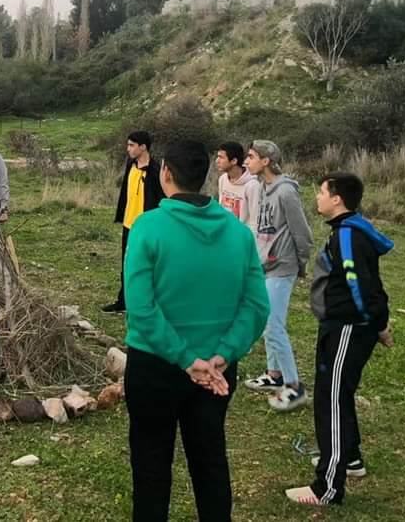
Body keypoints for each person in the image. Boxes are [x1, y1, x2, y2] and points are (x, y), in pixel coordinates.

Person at [123, 139, 269, 522]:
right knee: (210, 461)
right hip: (216, 370)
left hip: (154, 365)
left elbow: (141, 308)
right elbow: (256, 306)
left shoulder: (147, 227)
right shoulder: (238, 234)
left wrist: (186, 359)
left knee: (151, 466)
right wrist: (223, 354)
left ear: (166, 173)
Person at [286, 172, 394, 507]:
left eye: (321, 192)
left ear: (337, 199)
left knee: (330, 400)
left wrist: (378, 324)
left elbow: (361, 286)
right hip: (341, 325)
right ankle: (351, 459)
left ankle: (327, 488)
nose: (317, 197)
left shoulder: (348, 235)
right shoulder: (347, 230)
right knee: (338, 394)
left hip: (348, 327)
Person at [243, 140, 313, 411]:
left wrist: (299, 263)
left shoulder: (285, 191)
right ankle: (274, 375)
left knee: (274, 326)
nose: (246, 161)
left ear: (266, 161)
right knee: (267, 321)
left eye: (251, 157)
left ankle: (294, 388)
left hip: (283, 266)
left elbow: (302, 233)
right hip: (266, 265)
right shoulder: (262, 187)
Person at [103, 131, 163, 314]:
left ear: (143, 147)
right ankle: (123, 301)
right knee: (127, 263)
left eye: (131, 145)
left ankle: (149, 302)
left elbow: (160, 199)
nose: (128, 149)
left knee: (148, 265)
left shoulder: (155, 171)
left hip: (147, 227)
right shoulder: (131, 166)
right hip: (129, 224)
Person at [215, 141, 260, 230]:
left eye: (221, 157)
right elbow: (221, 208)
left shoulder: (252, 186)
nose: (217, 161)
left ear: (234, 161)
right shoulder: (223, 179)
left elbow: (255, 221)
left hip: (242, 235)